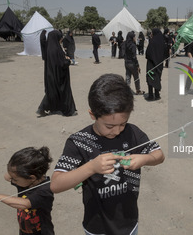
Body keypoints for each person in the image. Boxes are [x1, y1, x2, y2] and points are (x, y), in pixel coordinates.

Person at [50, 73, 165, 235]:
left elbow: (159, 155)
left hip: (129, 222)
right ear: (93, 115)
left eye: (122, 124)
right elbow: (56, 185)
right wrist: (91, 167)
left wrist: (145, 159)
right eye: (109, 126)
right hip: (96, 227)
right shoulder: (79, 141)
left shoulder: (133, 133)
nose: (117, 131)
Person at [0, 146, 54, 235]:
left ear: (31, 178)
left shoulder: (45, 190)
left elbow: (25, 204)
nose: (12, 181)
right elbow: (6, 177)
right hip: (25, 230)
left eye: (15, 179)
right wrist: (13, 170)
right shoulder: (25, 182)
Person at [36, 30, 77, 117]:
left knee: (52, 92)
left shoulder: (48, 48)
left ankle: (45, 109)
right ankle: (67, 110)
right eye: (60, 37)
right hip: (58, 75)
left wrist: (43, 34)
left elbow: (42, 41)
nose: (61, 39)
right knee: (60, 92)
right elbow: (61, 64)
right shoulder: (56, 49)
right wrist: (68, 61)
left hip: (50, 74)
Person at [145, 28, 165, 101]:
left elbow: (148, 53)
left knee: (150, 78)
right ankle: (157, 95)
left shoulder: (152, 41)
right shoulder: (162, 42)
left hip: (151, 64)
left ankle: (151, 95)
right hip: (159, 64)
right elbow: (165, 53)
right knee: (157, 79)